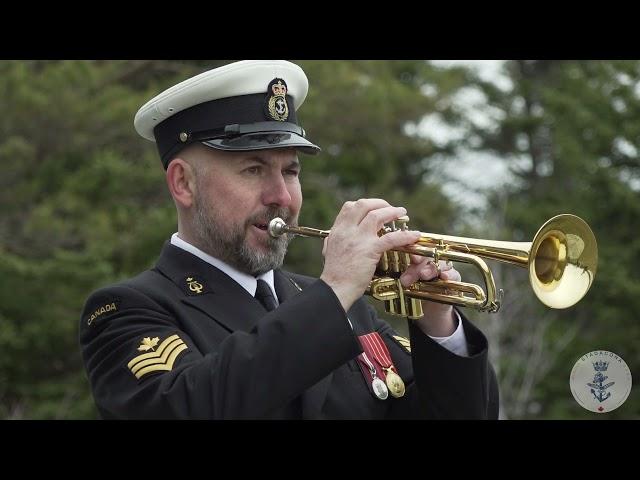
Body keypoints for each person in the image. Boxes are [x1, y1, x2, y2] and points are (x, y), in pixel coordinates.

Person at [79, 60, 499, 419]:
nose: (281, 196)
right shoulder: (126, 311)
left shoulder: (342, 308)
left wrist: (437, 324)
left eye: (291, 171)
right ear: (184, 184)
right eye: (253, 170)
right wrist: (335, 290)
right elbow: (194, 405)